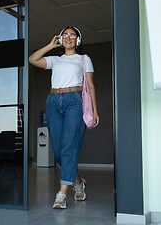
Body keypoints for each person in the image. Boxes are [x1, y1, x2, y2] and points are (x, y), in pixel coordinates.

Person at [29, 26, 100, 209]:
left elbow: (90, 85)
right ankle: (78, 182)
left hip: (74, 101)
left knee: (69, 147)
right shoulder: (55, 60)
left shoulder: (84, 59)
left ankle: (62, 193)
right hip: (53, 101)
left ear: (78, 40)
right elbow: (32, 59)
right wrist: (50, 45)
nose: (68, 37)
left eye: (72, 35)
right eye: (65, 35)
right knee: (60, 151)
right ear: (60, 39)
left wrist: (95, 110)